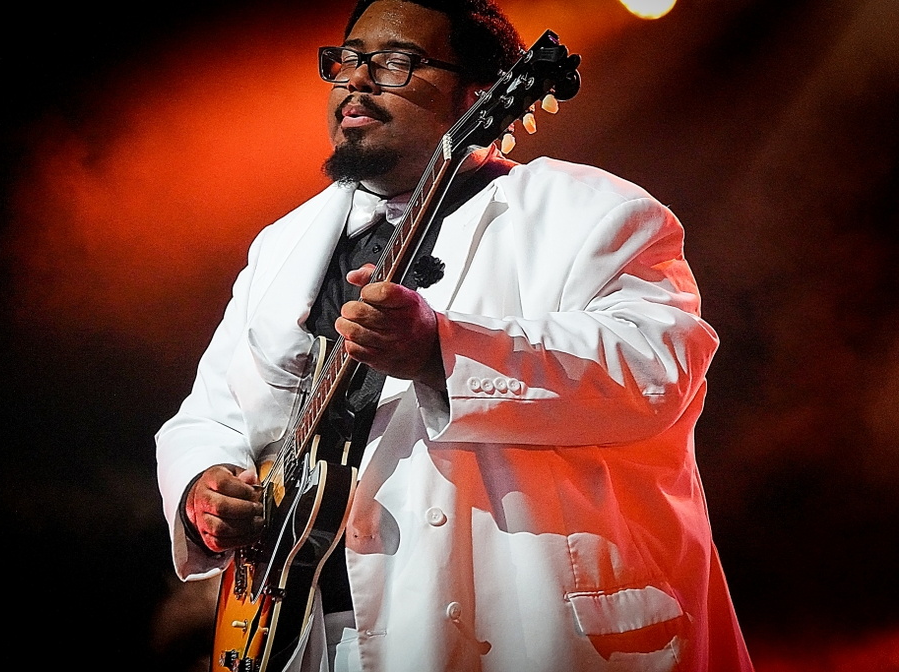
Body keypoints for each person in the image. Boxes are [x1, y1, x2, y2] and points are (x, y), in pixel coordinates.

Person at [156, 1, 754, 670]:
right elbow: (208, 415)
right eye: (347, 60)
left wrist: (441, 352)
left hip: (529, 626)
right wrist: (203, 487)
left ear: (480, 94)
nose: (357, 79)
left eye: (397, 62)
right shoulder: (281, 244)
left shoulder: (596, 213)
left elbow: (656, 371)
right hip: (315, 639)